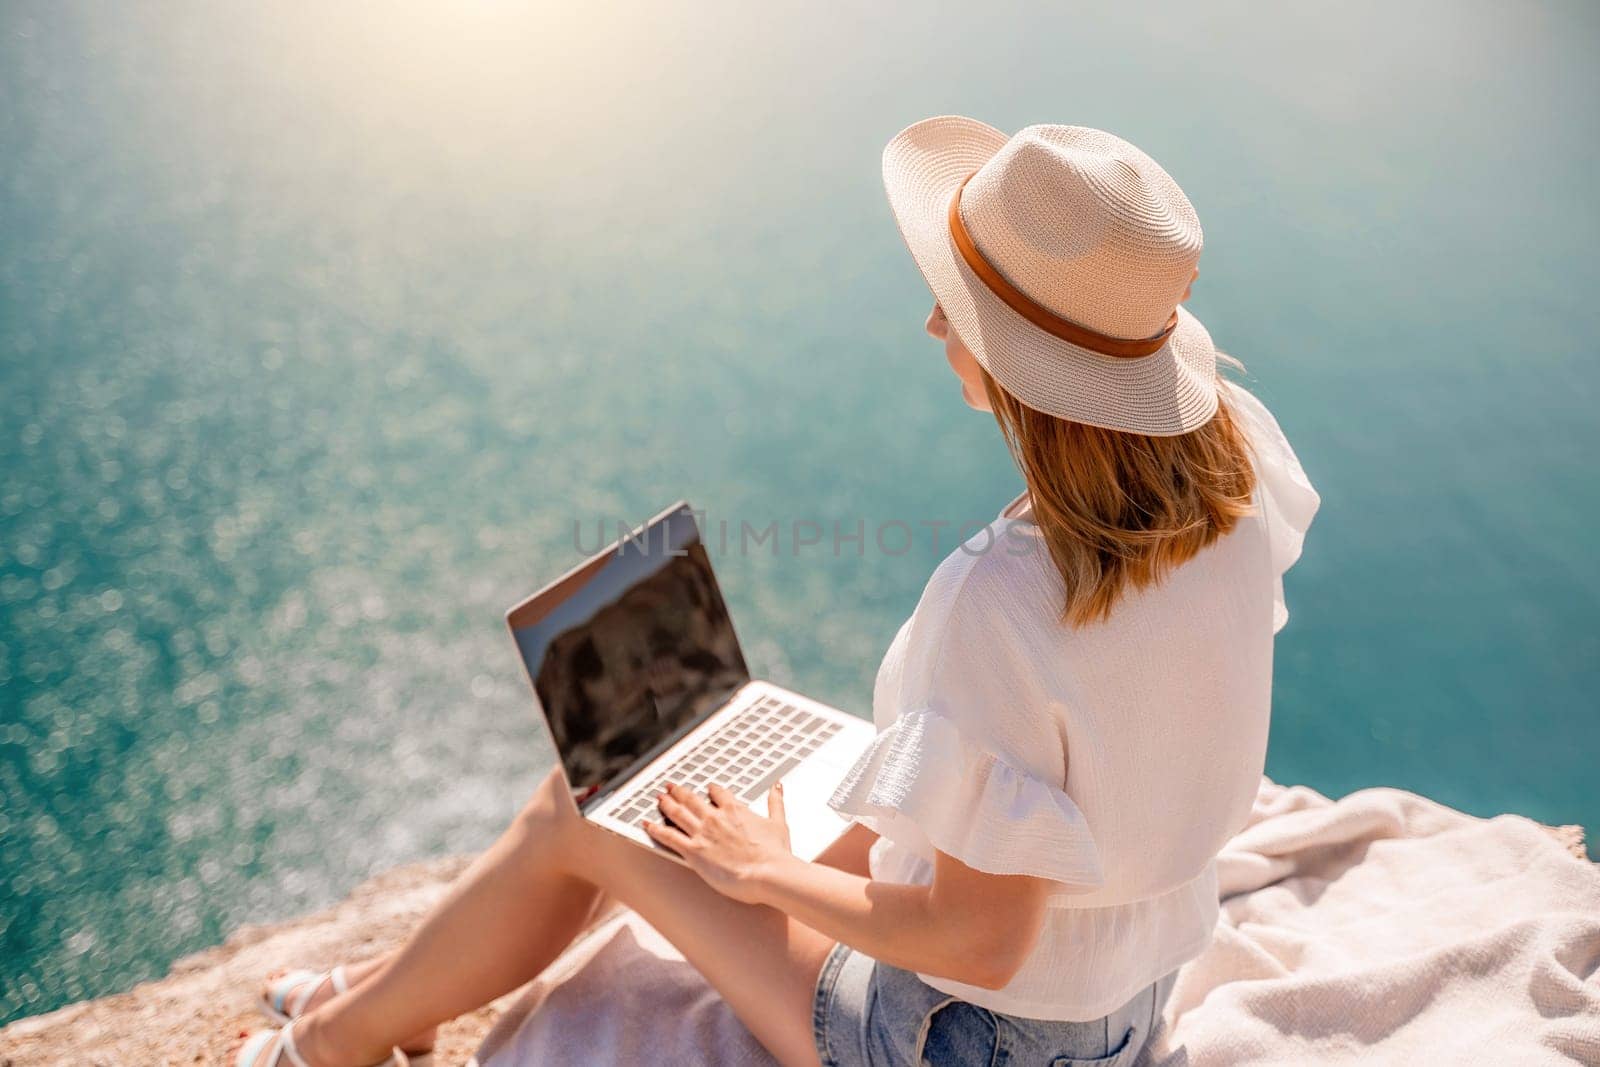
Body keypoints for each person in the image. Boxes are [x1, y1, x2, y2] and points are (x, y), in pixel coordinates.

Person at [234, 116, 1319, 1067]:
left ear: (1023, 366)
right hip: (1122, 998)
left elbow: (981, 940)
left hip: (961, 1039)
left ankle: (329, 1042)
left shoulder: (1002, 597)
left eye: (956, 307)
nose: (933, 327)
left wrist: (765, 873)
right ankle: (380, 988)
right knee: (687, 782)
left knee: (591, 802)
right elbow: (1079, 750)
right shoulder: (1234, 474)